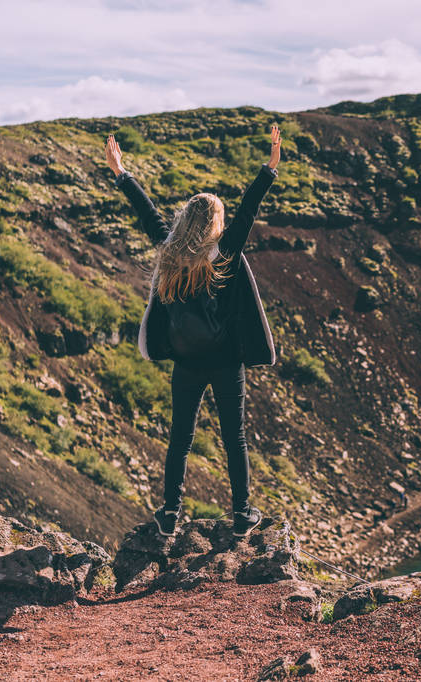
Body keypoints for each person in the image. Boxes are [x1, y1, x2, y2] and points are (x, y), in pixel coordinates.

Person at [104, 125, 281, 538]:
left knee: (180, 438)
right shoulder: (223, 255)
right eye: (220, 218)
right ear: (215, 223)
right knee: (233, 437)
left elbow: (146, 213)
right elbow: (249, 211)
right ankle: (241, 515)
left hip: (186, 362)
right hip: (224, 362)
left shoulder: (169, 253)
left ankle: (169, 514)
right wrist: (269, 169)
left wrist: (121, 173)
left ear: (186, 220)